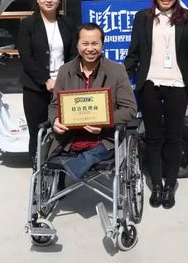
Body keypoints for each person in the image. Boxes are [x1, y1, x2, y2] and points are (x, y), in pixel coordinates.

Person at [124, 0, 188, 209]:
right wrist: (121, 78)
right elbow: (134, 52)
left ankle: (170, 187)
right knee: (153, 138)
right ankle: (156, 185)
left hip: (177, 85)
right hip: (150, 85)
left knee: (174, 138)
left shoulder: (186, 18)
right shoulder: (143, 17)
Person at [47, 23, 137, 180]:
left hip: (103, 140)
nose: (90, 49)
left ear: (102, 44)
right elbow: (54, 105)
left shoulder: (117, 71)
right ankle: (78, 164)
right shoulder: (65, 71)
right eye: (85, 44)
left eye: (95, 43)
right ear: (77, 45)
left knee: (98, 152)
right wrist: (55, 120)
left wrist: (104, 122)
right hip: (70, 139)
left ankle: (76, 166)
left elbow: (130, 109)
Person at [17, 0, 77, 169]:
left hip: (63, 87)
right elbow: (26, 57)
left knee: (63, 130)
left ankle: (59, 174)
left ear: (59, 0)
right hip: (35, 88)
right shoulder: (28, 24)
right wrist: (45, 79)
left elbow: (73, 54)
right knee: (38, 132)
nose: (48, 0)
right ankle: (38, 175)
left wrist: (64, 79)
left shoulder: (67, 22)